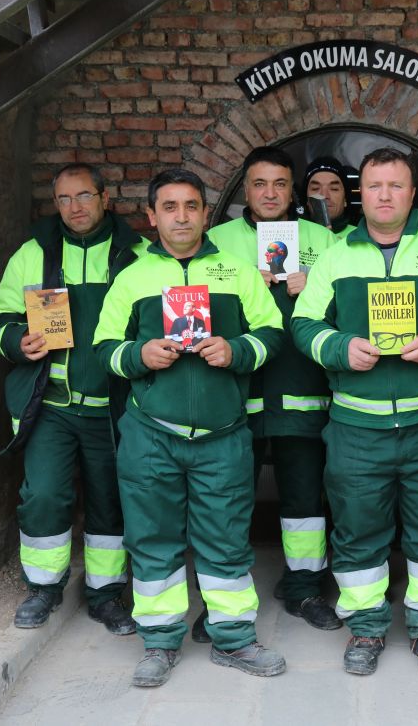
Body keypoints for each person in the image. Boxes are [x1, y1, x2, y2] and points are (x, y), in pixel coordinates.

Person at [292, 147, 418, 677]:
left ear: (411, 194)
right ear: (363, 195)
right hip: (358, 426)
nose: (385, 196)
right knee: (358, 531)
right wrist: (339, 348)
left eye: (396, 186)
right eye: (375, 186)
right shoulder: (336, 255)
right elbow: (304, 323)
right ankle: (365, 627)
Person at [94, 168, 287, 687]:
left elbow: (272, 332)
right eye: (170, 207)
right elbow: (103, 349)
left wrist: (237, 350)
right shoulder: (132, 276)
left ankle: (234, 639)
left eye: (191, 206)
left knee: (225, 540)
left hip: (223, 434)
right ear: (152, 216)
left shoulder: (238, 271)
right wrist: (139, 354)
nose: (182, 217)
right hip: (151, 434)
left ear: (206, 213)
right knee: (153, 539)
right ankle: (159, 642)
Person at [0, 162, 148, 635]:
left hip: (114, 408)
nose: (74, 208)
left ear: (105, 197)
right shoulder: (32, 253)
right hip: (52, 406)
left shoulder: (135, 255)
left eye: (83, 196)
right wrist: (18, 340)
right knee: (43, 495)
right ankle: (43, 588)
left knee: (110, 502)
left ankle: (105, 594)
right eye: (64, 199)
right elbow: (0, 318)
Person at [207, 147, 341, 633]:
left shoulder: (324, 241)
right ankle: (224, 599)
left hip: (301, 390)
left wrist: (321, 284)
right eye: (260, 184)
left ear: (293, 190)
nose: (270, 193)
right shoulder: (216, 241)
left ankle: (303, 589)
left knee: (304, 497)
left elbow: (348, 308)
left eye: (280, 184)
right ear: (246, 190)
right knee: (227, 497)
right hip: (234, 393)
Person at [303, 156, 356, 234]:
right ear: (307, 200)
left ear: (345, 199)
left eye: (334, 189)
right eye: (315, 188)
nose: (324, 195)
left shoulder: (359, 238)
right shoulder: (296, 236)